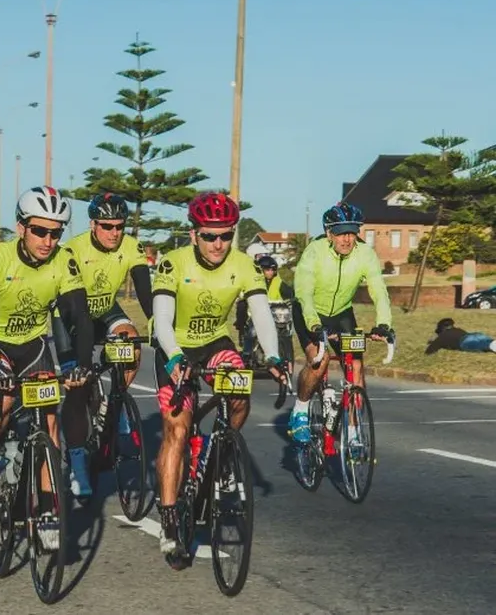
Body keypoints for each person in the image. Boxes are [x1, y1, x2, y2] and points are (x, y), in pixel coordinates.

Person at [151, 192, 286, 569]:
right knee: (177, 430)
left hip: (214, 344)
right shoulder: (172, 263)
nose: (218, 244)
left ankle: (224, 449)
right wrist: (175, 358)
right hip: (174, 347)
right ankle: (169, 515)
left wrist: (272, 356)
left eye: (225, 236)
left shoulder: (244, 265)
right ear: (194, 234)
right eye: (210, 236)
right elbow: (161, 321)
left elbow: (261, 313)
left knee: (239, 388)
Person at [0, 186, 93, 552]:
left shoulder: (63, 261)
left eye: (56, 232)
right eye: (40, 230)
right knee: (3, 399)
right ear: (21, 227)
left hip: (33, 346)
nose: (48, 240)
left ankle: (49, 509)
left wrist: (82, 364)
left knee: (50, 422)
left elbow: (80, 317)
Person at [53, 192, 153, 499]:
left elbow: (145, 291)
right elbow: (76, 310)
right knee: (77, 386)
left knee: (132, 342)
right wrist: (81, 359)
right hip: (70, 316)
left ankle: (114, 401)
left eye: (120, 226)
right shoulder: (72, 250)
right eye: (107, 226)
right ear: (93, 224)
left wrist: (157, 327)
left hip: (105, 309)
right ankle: (79, 463)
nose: (114, 233)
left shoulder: (130, 247)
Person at [289, 202, 394, 444]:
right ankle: (300, 410)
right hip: (310, 312)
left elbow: (379, 289)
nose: (347, 239)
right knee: (319, 361)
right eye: (341, 232)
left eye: (352, 232)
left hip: (342, 314)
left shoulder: (365, 253)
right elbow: (304, 293)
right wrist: (314, 325)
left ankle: (354, 432)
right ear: (329, 233)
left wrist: (384, 324)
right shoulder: (314, 252)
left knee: (356, 367)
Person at [426, 318, 496, 354]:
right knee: (488, 341)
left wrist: (433, 341)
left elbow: (429, 351)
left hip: (465, 341)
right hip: (475, 335)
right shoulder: (458, 329)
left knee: (486, 345)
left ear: (442, 328)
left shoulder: (443, 336)